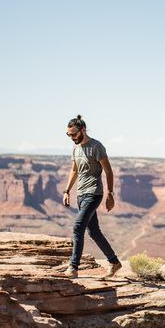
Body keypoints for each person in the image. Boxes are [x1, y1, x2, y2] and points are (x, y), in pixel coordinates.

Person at [61, 115, 121, 278]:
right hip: (80, 194)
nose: (72, 138)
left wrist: (110, 194)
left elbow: (108, 170)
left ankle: (73, 267)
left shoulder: (96, 146)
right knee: (93, 231)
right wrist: (67, 191)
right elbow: (74, 170)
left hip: (94, 193)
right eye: (69, 135)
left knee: (77, 227)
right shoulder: (76, 148)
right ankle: (114, 262)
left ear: (82, 130)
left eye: (74, 134)